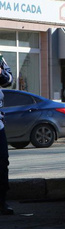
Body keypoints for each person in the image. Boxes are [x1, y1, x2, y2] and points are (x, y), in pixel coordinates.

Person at [0, 55, 14, 215]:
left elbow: (9, 81)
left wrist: (1, 72)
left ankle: (1, 202)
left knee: (2, 162)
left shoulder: (0, 59)